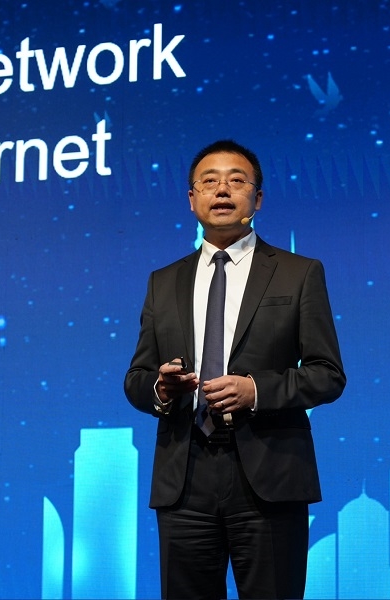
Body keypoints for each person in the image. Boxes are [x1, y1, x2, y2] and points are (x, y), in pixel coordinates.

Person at [124, 139, 346, 599]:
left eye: (236, 181)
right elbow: (136, 380)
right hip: (184, 478)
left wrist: (255, 390)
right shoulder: (163, 281)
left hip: (270, 477)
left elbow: (327, 374)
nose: (222, 190)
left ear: (257, 198)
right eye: (209, 181)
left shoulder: (298, 273)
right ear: (192, 199)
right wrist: (162, 389)